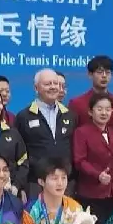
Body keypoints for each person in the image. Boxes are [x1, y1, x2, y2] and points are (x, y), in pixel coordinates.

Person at [15, 69, 77, 197]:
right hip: (35, 184)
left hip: (64, 183)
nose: (53, 87)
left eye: (56, 83)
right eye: (48, 84)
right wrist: (21, 186)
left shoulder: (70, 115)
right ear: (36, 88)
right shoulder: (24, 116)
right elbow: (18, 154)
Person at [72, 92, 113, 224]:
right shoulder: (81, 132)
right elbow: (79, 161)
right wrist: (97, 175)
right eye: (99, 109)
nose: (104, 113)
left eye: (108, 109)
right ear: (90, 112)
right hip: (91, 193)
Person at [68, 55, 113, 129]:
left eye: (108, 72)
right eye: (100, 72)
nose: (104, 76)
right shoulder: (76, 103)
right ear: (90, 75)